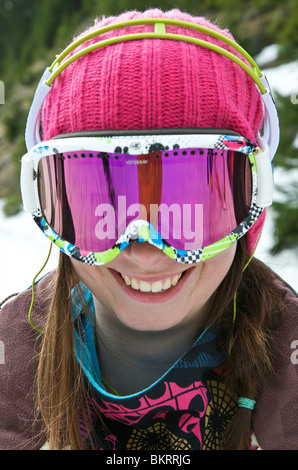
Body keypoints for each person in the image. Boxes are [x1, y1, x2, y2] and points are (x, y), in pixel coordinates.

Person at [0, 8, 297, 451]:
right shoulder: (11, 362)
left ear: (250, 201)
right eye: (104, 202)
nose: (145, 249)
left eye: (188, 201)